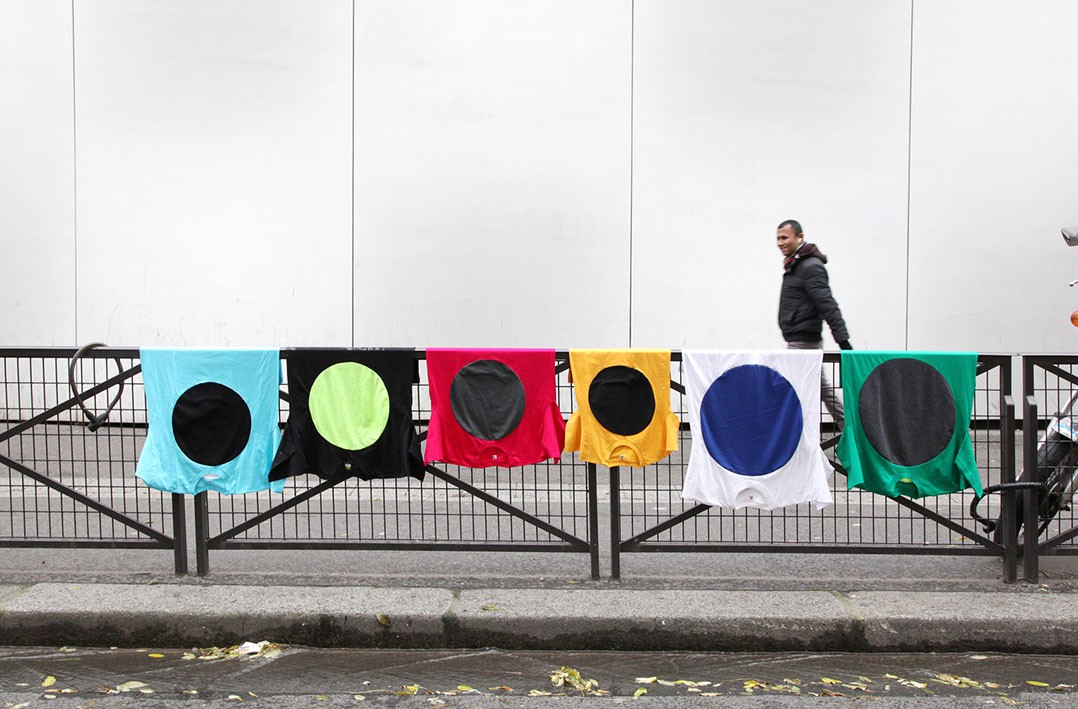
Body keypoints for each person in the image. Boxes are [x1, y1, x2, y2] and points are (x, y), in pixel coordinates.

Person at [776, 219, 851, 429]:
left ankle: (846, 432)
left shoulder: (809, 267)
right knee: (821, 391)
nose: (780, 242)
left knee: (792, 391)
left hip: (803, 343)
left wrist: (844, 342)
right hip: (800, 340)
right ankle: (849, 430)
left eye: (784, 237)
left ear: (799, 237)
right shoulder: (797, 264)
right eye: (778, 238)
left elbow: (828, 305)